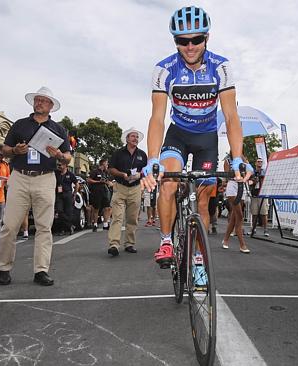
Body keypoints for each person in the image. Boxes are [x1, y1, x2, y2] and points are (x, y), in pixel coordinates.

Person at [141, 6, 252, 269]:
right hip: (177, 134)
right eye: (182, 40)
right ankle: (166, 240)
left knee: (202, 200)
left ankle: (199, 260)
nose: (190, 46)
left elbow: (231, 116)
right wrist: (152, 159)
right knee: (167, 183)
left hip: (206, 138)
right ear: (175, 41)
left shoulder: (221, 67)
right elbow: (157, 118)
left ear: (207, 38)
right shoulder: (163, 70)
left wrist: (237, 158)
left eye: (196, 39)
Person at [0, 86, 72, 286]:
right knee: (10, 226)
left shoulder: (59, 129)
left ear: (51, 106)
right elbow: (4, 150)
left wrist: (59, 156)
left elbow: (68, 157)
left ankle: (41, 270)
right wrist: (14, 149)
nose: (39, 103)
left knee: (44, 227)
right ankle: (3, 267)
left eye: (44, 101)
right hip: (20, 177)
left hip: (46, 178)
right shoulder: (20, 125)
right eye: (37, 100)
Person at [106, 128, 147, 256]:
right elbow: (111, 169)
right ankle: (114, 244)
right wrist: (122, 174)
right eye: (133, 136)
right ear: (127, 139)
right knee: (117, 217)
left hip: (135, 188)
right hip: (120, 186)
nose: (135, 139)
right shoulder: (118, 153)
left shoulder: (142, 154)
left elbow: (146, 170)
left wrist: (140, 175)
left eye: (137, 137)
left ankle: (129, 243)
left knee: (132, 218)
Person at [221, 158, 251, 253]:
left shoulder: (244, 158)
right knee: (240, 216)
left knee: (235, 216)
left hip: (242, 185)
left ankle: (225, 240)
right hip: (232, 185)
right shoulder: (228, 161)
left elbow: (249, 169)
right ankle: (242, 244)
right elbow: (226, 175)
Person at [87, 159, 112, 232]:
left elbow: (106, 180)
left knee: (107, 208)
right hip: (96, 192)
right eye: (106, 163)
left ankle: (105, 224)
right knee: (96, 208)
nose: (107, 164)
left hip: (104, 191)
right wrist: (98, 181)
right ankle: (95, 224)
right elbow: (89, 180)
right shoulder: (95, 171)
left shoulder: (105, 173)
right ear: (103, 163)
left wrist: (108, 183)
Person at [53, 162, 77, 235]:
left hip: (68, 194)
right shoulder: (57, 173)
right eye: (58, 165)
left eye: (61, 165)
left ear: (65, 166)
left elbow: (77, 184)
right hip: (59, 195)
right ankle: (70, 226)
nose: (59, 166)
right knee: (59, 211)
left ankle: (66, 229)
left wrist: (74, 194)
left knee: (68, 212)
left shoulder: (70, 174)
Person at [249, 157, 270, 237]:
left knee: (264, 213)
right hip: (254, 195)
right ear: (255, 163)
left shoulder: (265, 172)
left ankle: (265, 230)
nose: (259, 163)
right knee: (254, 213)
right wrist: (254, 181)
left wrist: (261, 180)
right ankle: (253, 229)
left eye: (261, 162)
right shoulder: (252, 172)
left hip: (263, 194)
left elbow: (267, 181)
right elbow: (249, 182)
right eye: (258, 162)